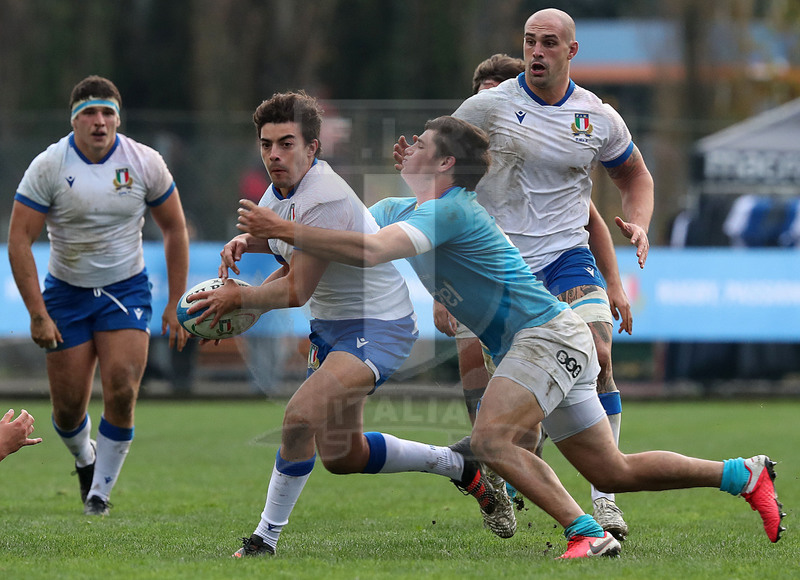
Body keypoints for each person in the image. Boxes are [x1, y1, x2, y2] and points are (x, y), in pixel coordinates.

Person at [237, 114, 785, 559]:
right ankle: (742, 473)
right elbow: (343, 233)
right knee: (612, 468)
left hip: (545, 338)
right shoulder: (407, 207)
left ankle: (585, 532)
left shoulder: (451, 210)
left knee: (491, 440)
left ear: (446, 163)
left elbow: (371, 251)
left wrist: (280, 229)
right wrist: (257, 243)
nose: (406, 150)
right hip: (546, 341)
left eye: (421, 144)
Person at [186, 91, 514, 558]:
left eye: (286, 144)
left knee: (298, 417)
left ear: (312, 148)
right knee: (344, 456)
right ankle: (460, 467)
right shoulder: (278, 192)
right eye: (266, 145)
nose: (275, 155)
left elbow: (296, 289)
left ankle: (264, 540)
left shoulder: (325, 196)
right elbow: (288, 247)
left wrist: (242, 298)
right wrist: (249, 241)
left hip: (379, 324)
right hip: (333, 327)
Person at [398, 9, 647, 540]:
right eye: (530, 41)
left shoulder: (596, 117)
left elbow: (625, 184)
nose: (537, 50)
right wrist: (443, 280)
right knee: (485, 390)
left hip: (564, 260)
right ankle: (498, 478)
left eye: (548, 42)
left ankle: (603, 501)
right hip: (498, 269)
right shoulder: (486, 108)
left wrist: (636, 237)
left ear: (571, 51)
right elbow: (437, 177)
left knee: (599, 353)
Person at [8, 75, 190, 516]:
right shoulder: (50, 165)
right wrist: (37, 313)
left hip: (125, 288)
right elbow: (18, 240)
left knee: (123, 389)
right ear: (74, 120)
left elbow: (174, 228)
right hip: (66, 293)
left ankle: (99, 495)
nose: (99, 121)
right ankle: (85, 458)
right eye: (88, 112)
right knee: (69, 411)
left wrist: (175, 303)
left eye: (107, 111)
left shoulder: (144, 162)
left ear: (118, 118)